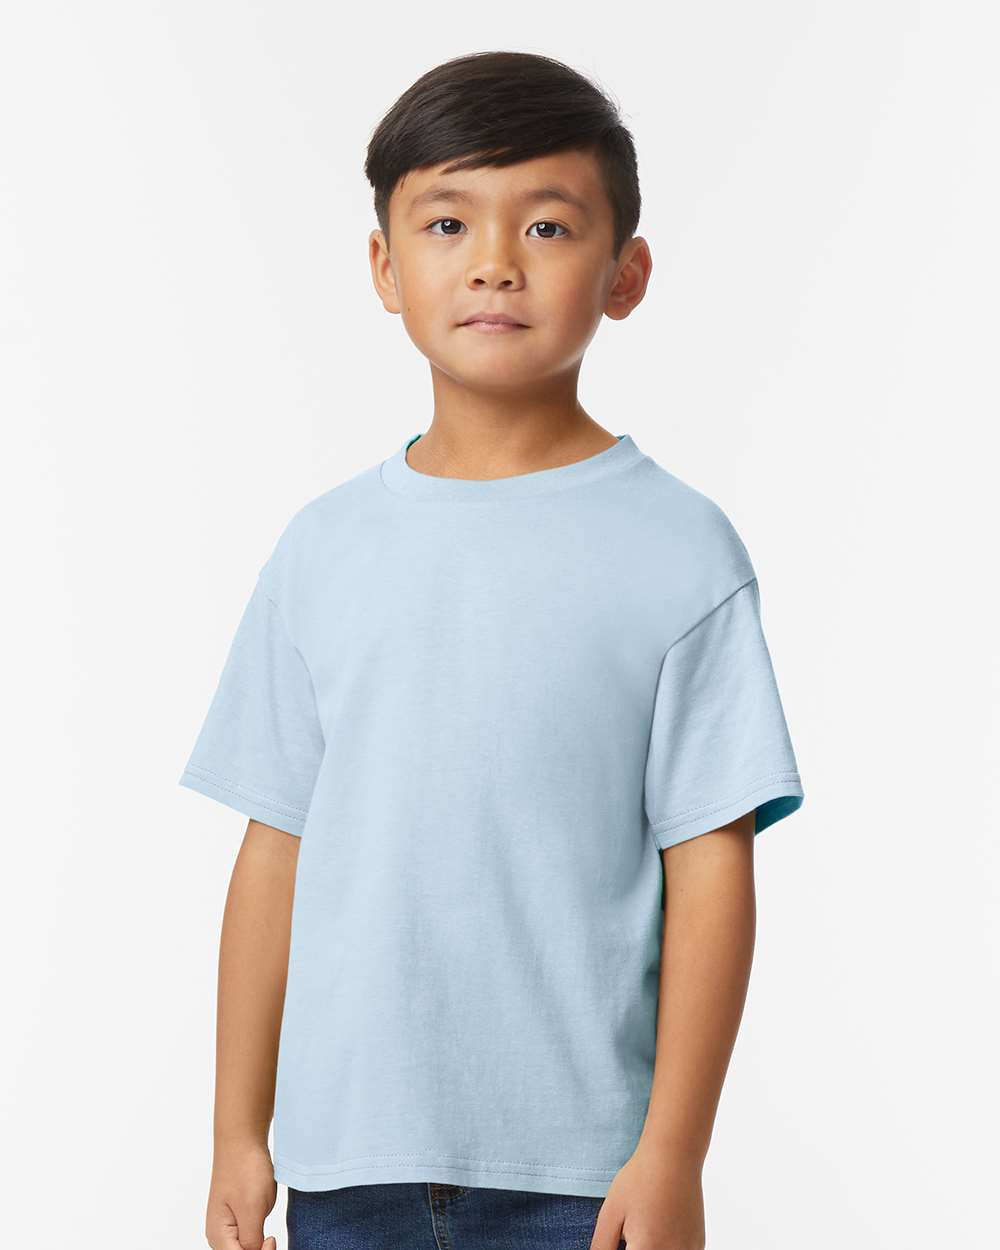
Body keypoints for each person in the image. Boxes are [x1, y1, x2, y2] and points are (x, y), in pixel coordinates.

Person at [179, 50, 806, 1250]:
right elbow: (275, 849)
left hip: (581, 1172)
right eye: (448, 221)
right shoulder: (323, 547)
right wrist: (235, 1131)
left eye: (549, 225)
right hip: (347, 1161)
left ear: (625, 275)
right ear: (384, 266)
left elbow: (710, 862)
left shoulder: (680, 549)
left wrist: (672, 1152)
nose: (494, 262)